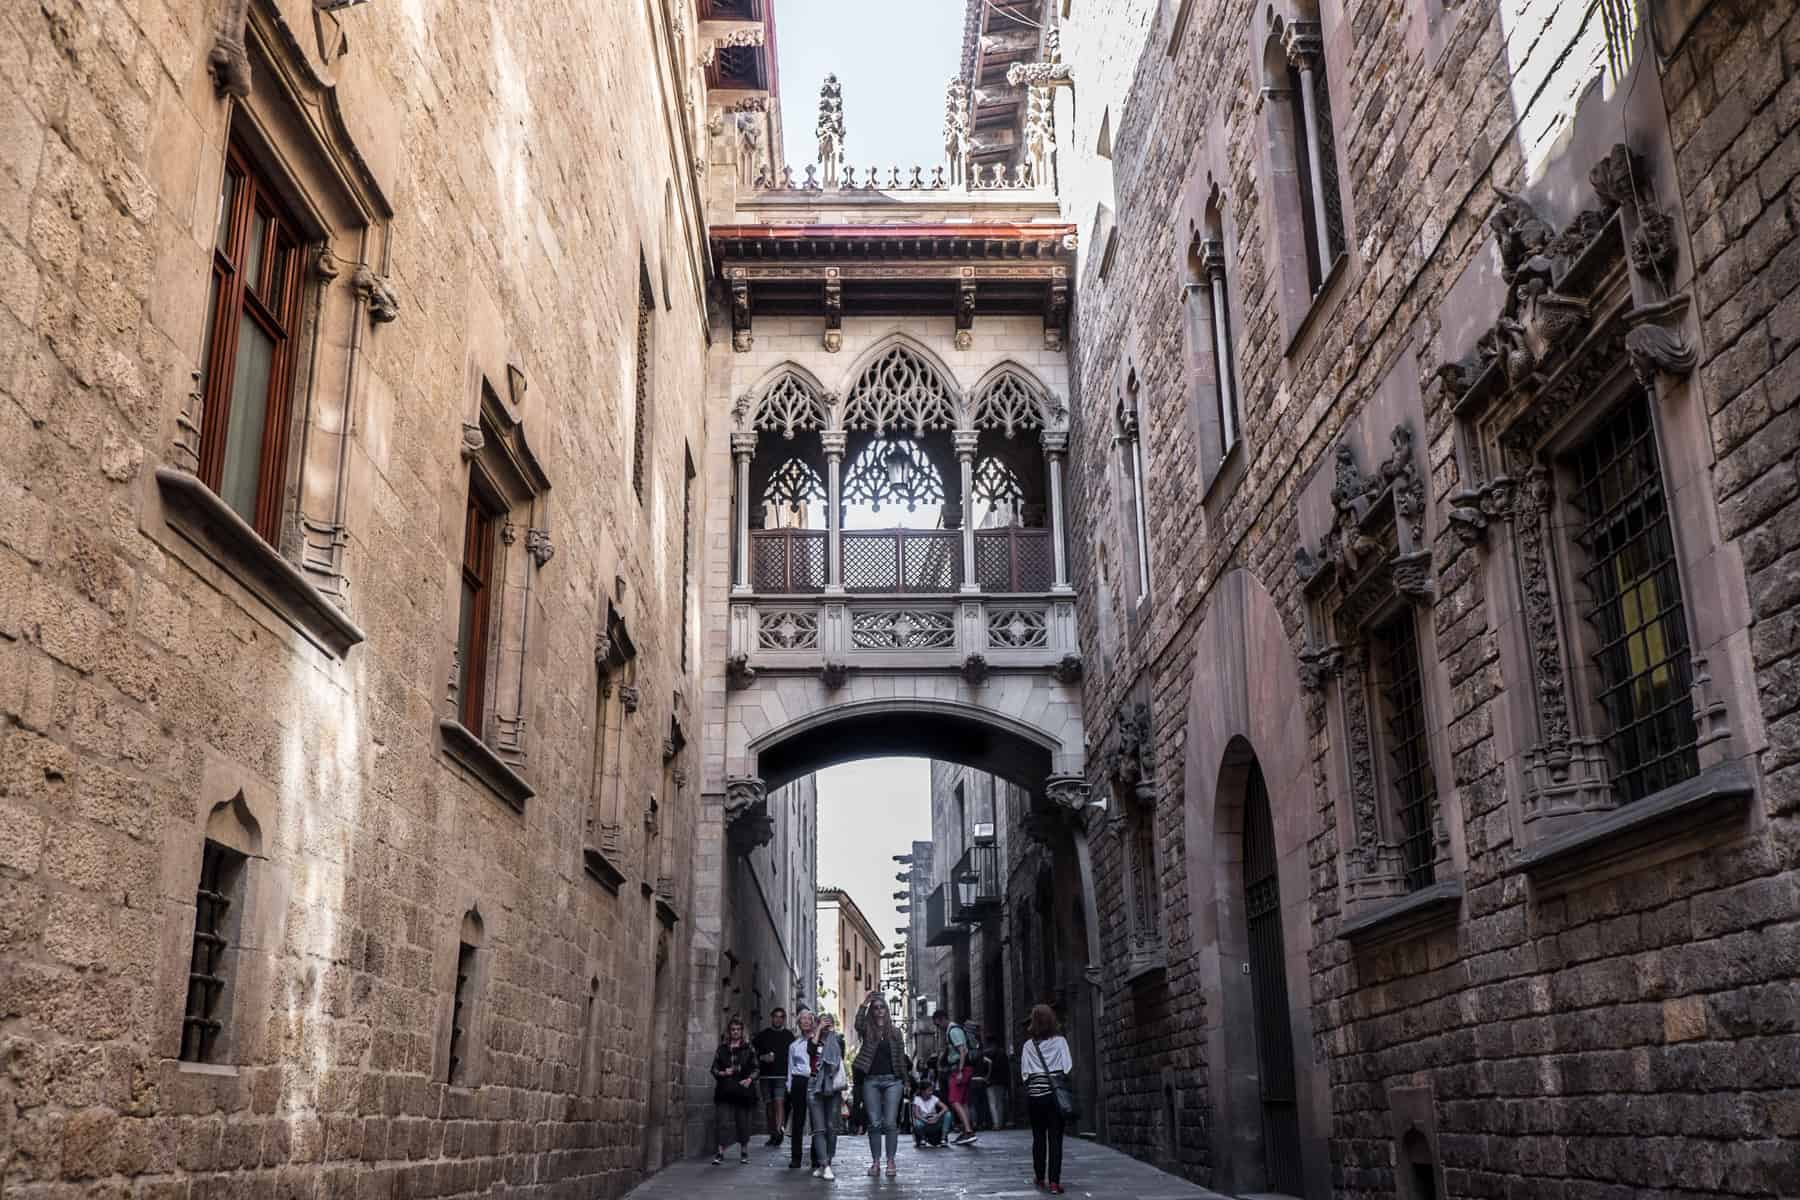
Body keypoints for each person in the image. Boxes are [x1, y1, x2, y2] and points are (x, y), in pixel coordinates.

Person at [853, 989, 910, 1179]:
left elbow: (901, 1059)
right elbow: (858, 1023)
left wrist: (906, 1081)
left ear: (886, 1010)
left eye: (882, 1007)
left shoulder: (895, 1032)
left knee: (890, 1123)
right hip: (871, 1081)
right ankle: (876, 1162)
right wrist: (864, 1003)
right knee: (875, 1124)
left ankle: (891, 1161)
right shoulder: (867, 1030)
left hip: (893, 1081)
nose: (879, 1010)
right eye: (875, 1008)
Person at [1023, 1004, 1074, 1195]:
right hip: (1054, 1097)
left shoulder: (1028, 1045)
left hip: (1035, 1097)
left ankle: (1039, 1176)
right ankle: (1054, 1182)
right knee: (1055, 1139)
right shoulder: (1060, 1041)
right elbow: (1067, 1067)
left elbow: (1025, 1074)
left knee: (1038, 1137)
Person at [710, 1017, 759, 1165]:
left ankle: (744, 1150)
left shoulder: (749, 1048)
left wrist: (750, 1079)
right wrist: (723, 1073)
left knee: (742, 1122)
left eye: (738, 1029)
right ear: (729, 1031)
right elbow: (713, 1069)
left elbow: (756, 1068)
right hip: (725, 1089)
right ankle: (720, 1152)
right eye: (733, 1030)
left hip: (742, 1090)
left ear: (741, 1031)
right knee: (723, 1122)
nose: (735, 1032)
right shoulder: (722, 1049)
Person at [806, 1011, 847, 1180]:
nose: (825, 1024)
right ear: (817, 1023)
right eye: (822, 1021)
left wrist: (831, 1033)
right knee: (819, 1128)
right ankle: (824, 1164)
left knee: (831, 1127)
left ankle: (828, 1161)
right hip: (815, 1086)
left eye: (828, 1021)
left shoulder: (838, 1040)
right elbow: (811, 1050)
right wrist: (818, 1031)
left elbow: (838, 1059)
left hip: (832, 1087)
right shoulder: (812, 1041)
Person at [931, 1010, 979, 1145]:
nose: (938, 1028)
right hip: (962, 1068)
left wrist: (960, 1070)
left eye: (937, 1024)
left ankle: (968, 1131)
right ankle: (967, 1131)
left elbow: (963, 1050)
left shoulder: (953, 1030)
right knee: (962, 1101)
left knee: (954, 1100)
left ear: (941, 1019)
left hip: (959, 1068)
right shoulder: (952, 1030)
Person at [752, 1008, 796, 1146]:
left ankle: (779, 1133)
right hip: (765, 1076)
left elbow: (794, 1057)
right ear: (771, 1018)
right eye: (776, 1016)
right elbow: (751, 1052)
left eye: (781, 1017)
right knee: (769, 1106)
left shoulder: (789, 1036)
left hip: (782, 1076)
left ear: (784, 1019)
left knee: (779, 1104)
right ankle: (772, 1133)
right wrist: (761, 1057)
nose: (778, 1019)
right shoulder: (763, 1035)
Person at [786, 1009, 820, 1170]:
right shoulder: (794, 1045)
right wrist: (789, 1086)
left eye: (809, 1018)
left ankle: (816, 1157)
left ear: (813, 1022)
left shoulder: (819, 1041)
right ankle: (796, 1158)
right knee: (798, 1121)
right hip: (799, 1082)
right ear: (798, 1023)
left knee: (816, 1120)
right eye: (802, 1019)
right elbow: (790, 1067)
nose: (806, 1021)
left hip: (814, 1080)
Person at [910, 1077, 953, 1147]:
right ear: (923, 1091)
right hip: (924, 1122)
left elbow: (945, 1108)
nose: (931, 1092)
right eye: (929, 1091)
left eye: (931, 1090)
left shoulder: (934, 1098)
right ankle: (923, 1139)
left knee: (948, 1114)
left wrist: (937, 1116)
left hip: (935, 1120)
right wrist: (926, 1121)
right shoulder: (917, 1099)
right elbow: (916, 1114)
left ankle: (943, 1138)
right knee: (917, 1123)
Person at [966, 1025, 990, 1131]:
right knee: (982, 1103)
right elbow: (989, 1063)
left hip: (973, 1080)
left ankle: (975, 1123)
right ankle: (983, 1122)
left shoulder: (971, 1053)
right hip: (981, 1079)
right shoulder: (981, 1052)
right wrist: (986, 1076)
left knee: (974, 1104)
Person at [987, 1040, 1011, 1129]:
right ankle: (1000, 1122)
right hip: (1001, 1081)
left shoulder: (987, 1054)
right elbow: (1006, 1069)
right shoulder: (1003, 1054)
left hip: (991, 1081)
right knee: (1000, 1102)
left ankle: (996, 1123)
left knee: (993, 1103)